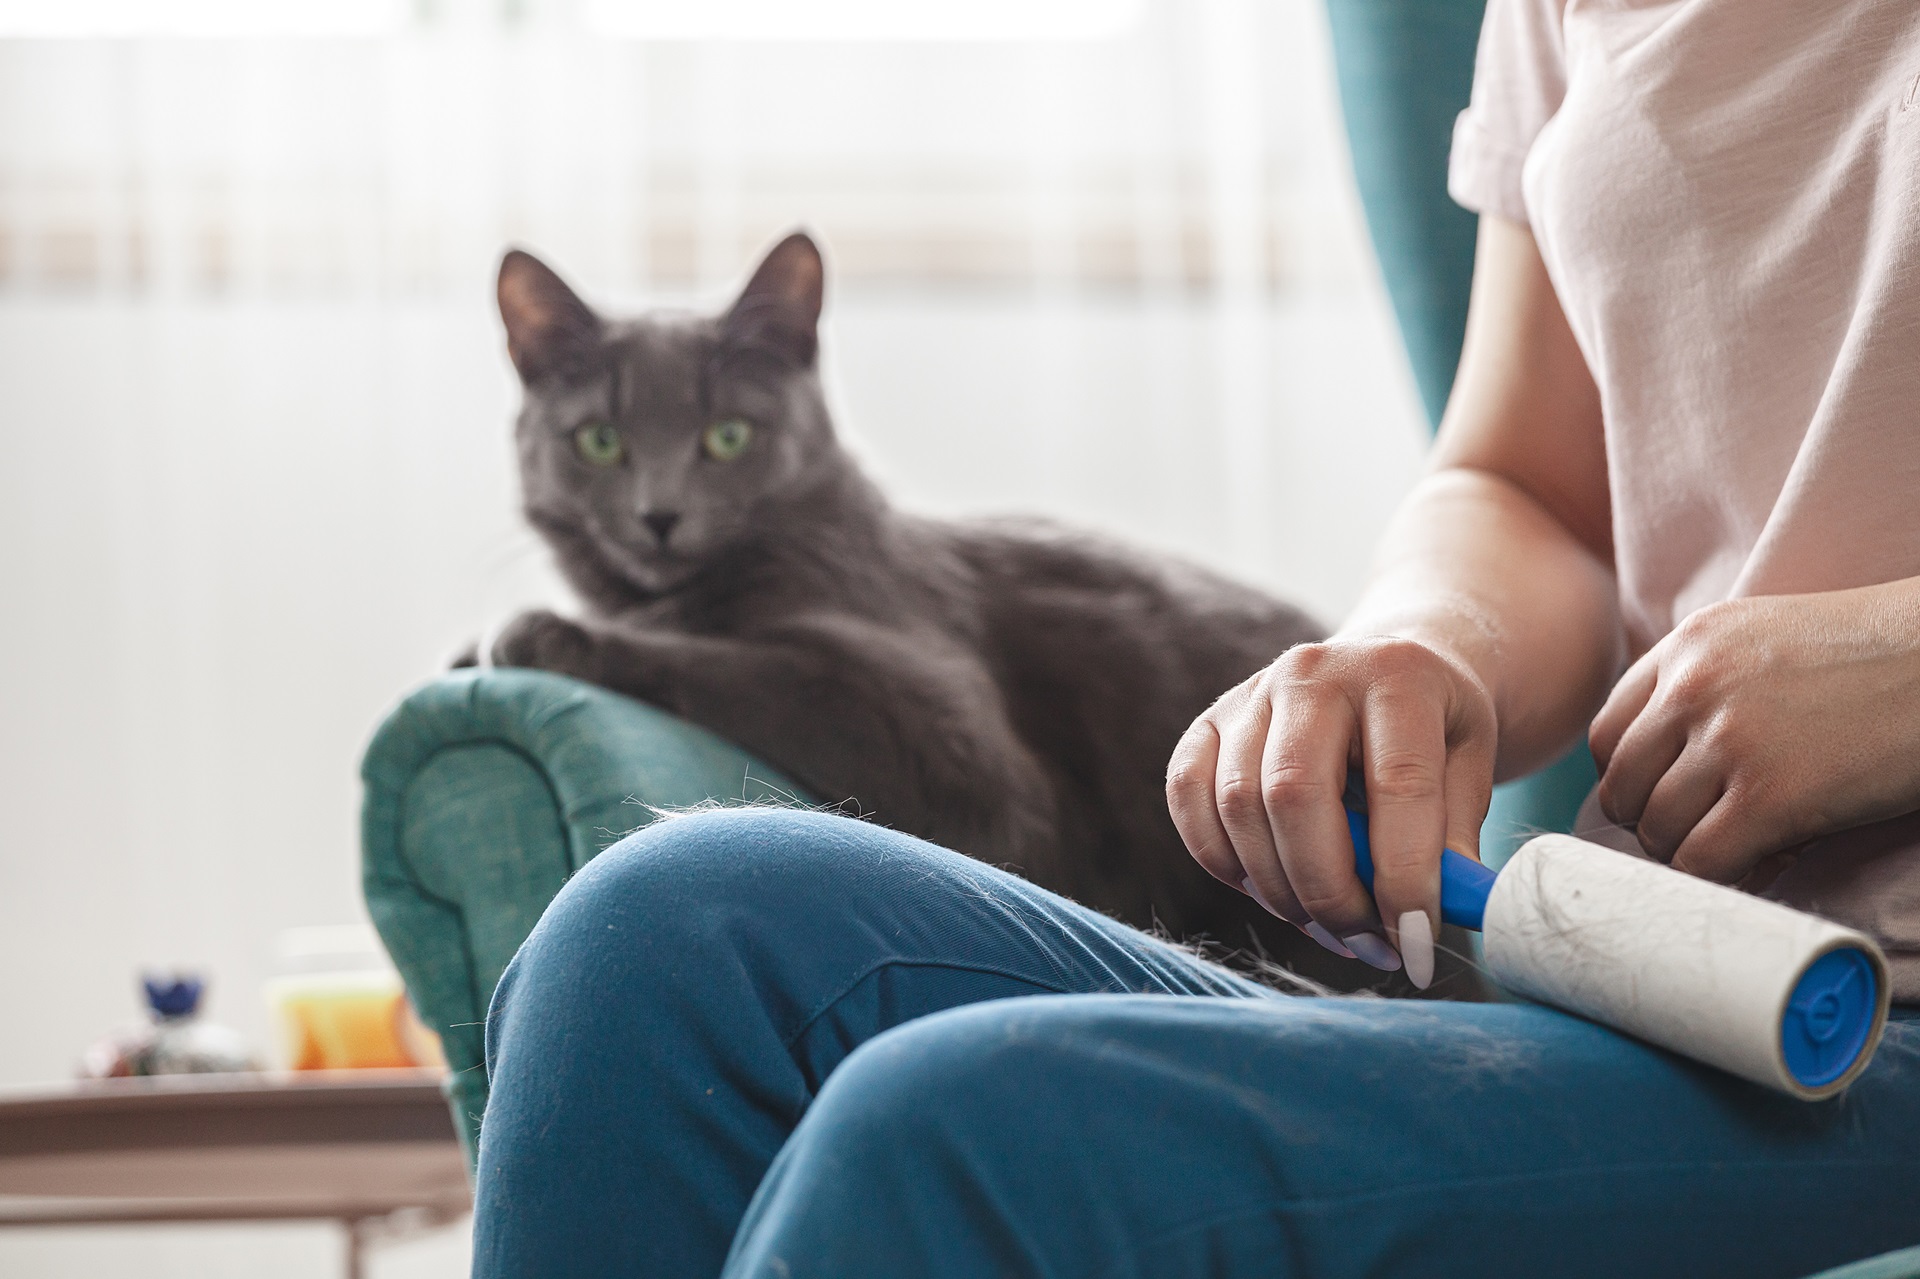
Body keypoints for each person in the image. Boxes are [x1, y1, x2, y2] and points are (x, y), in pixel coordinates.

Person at [469, 3, 1920, 1275]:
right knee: (654, 941)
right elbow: (1531, 488)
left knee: (978, 1127)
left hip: (1880, 1029)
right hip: (1655, 979)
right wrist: (1424, 647)